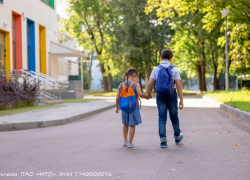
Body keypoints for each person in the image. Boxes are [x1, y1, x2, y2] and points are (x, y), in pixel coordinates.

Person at [146, 49, 184, 148]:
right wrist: (181, 100)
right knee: (174, 117)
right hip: (172, 95)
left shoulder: (156, 69)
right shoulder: (174, 69)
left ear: (160, 58)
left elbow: (149, 83)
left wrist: (148, 94)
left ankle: (163, 141)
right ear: (171, 59)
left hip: (160, 96)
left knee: (162, 117)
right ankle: (177, 137)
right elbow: (179, 85)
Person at [116, 68, 149, 148]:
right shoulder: (136, 84)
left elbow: (117, 98)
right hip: (133, 107)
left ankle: (125, 140)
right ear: (134, 75)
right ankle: (130, 143)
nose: (136, 79)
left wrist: (117, 107)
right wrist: (147, 96)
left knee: (125, 123)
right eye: (136, 77)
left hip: (124, 107)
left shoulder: (121, 85)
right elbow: (140, 94)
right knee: (132, 125)